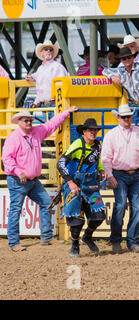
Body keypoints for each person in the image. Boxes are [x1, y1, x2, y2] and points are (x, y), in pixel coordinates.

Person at [2, 106, 78, 252]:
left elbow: (51, 124)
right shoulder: (13, 138)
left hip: (32, 180)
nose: (29, 123)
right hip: (18, 180)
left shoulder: (36, 132)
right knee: (16, 209)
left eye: (30, 120)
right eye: (26, 120)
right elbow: (7, 159)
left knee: (46, 203)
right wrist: (19, 172)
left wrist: (65, 112)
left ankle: (46, 237)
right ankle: (13, 242)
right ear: (19, 122)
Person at [101, 104, 139, 253]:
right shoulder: (111, 135)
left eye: (128, 116)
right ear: (118, 118)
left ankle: (132, 241)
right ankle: (116, 240)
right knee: (120, 206)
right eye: (124, 117)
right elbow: (105, 157)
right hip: (119, 174)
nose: (126, 119)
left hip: (136, 173)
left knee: (136, 208)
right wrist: (110, 175)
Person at [57, 118, 106, 258]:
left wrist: (101, 170)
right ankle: (74, 244)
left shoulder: (98, 146)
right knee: (76, 219)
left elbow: (98, 161)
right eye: (90, 130)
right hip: (75, 184)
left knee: (99, 214)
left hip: (91, 186)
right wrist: (70, 182)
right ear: (84, 132)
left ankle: (87, 237)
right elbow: (61, 163)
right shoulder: (77, 145)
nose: (93, 132)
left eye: (95, 130)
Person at [103, 47, 139, 129]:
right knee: (137, 129)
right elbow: (105, 71)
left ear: (133, 58)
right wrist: (112, 76)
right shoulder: (120, 70)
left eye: (129, 57)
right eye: (124, 58)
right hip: (133, 105)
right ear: (121, 60)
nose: (127, 60)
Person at [25, 40, 69, 108]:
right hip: (44, 104)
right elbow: (37, 81)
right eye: (46, 49)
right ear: (41, 53)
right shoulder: (41, 69)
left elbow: (62, 87)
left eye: (51, 49)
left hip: (55, 104)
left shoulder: (58, 67)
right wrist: (36, 102)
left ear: (53, 52)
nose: (48, 51)